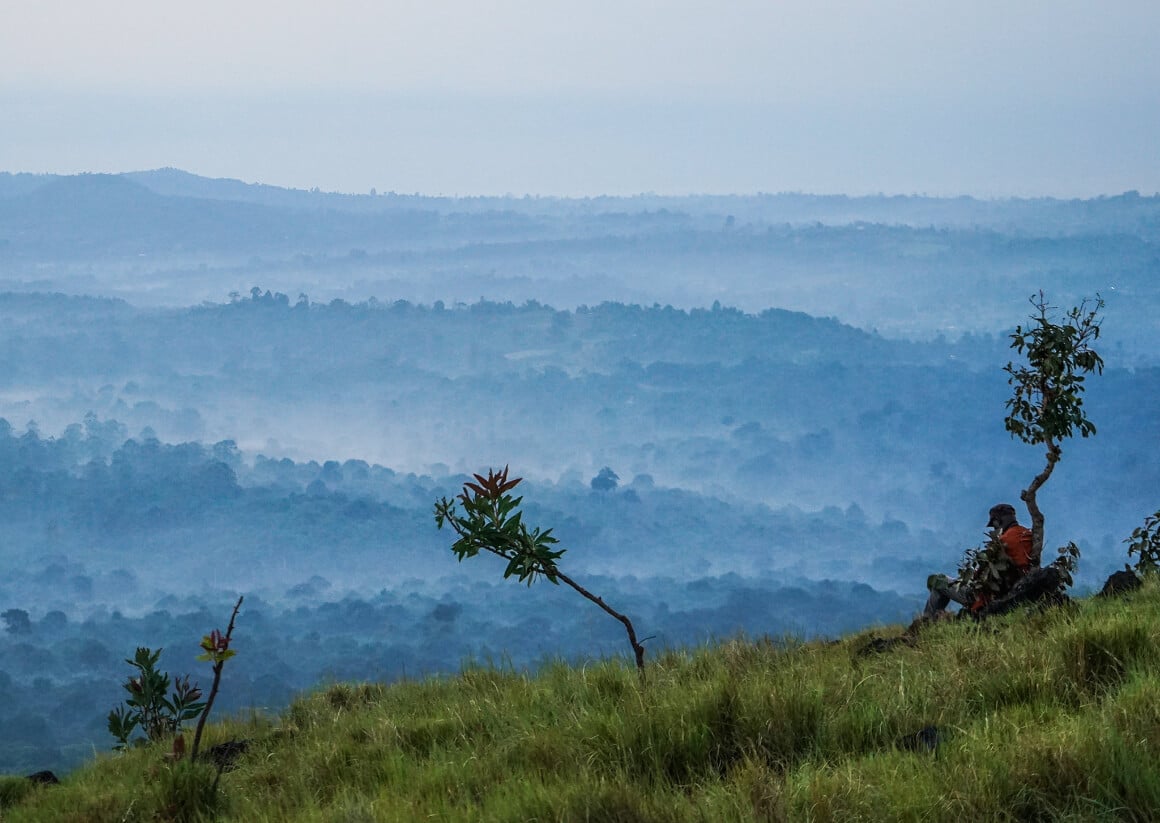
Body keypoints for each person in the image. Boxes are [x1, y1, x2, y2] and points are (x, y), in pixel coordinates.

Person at [924, 503, 1035, 618]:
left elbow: (981, 575)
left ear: (998, 521)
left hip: (988, 597)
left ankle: (925, 622)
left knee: (938, 580)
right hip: (1018, 588)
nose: (994, 528)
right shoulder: (1028, 535)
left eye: (994, 524)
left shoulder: (1002, 542)